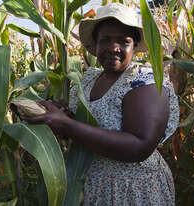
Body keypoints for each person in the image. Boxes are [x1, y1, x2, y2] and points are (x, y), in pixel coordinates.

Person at [23, 3, 179, 206]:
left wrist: (67, 126)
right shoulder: (88, 80)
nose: (114, 48)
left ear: (134, 46)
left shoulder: (143, 80)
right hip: (93, 185)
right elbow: (87, 125)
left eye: (124, 41)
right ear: (95, 43)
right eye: (105, 40)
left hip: (133, 189)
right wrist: (60, 114)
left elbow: (140, 145)